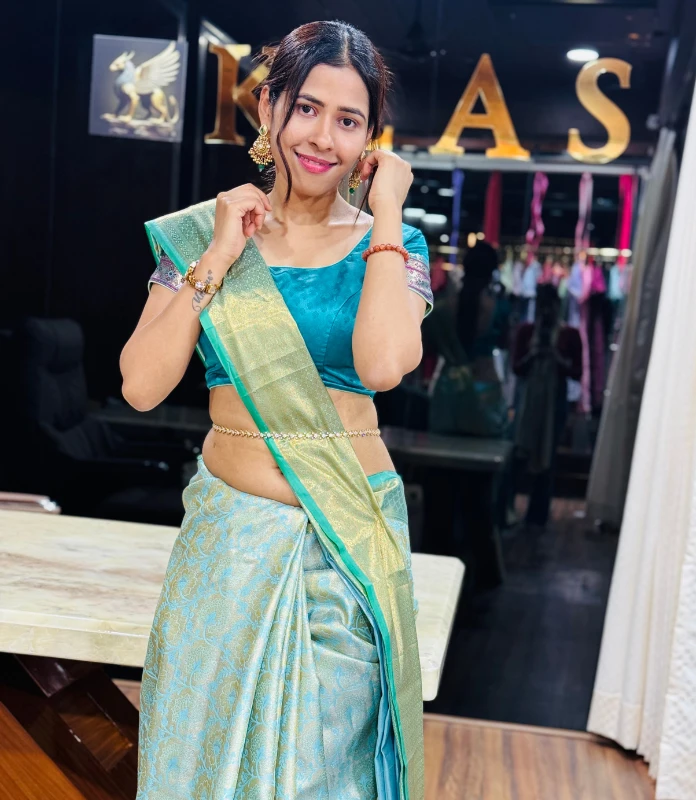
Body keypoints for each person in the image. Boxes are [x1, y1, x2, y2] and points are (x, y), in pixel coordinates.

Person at [119, 21, 432, 800]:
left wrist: (387, 213)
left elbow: (383, 366)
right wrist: (221, 256)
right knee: (197, 766)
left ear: (370, 138)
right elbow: (141, 385)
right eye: (307, 108)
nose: (323, 137)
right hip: (225, 552)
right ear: (270, 109)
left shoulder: (395, 245)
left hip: (341, 551)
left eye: (349, 120)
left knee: (320, 777)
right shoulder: (203, 233)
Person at [512, 284, 582, 527]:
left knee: (548, 455)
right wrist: (533, 355)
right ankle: (510, 508)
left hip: (554, 402)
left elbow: (577, 372)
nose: (545, 311)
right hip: (527, 400)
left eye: (549, 306)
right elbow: (516, 367)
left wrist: (556, 357)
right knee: (519, 453)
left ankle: (538, 514)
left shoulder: (569, 334)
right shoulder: (526, 331)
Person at [427, 241, 509, 437]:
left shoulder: (442, 308)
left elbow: (429, 347)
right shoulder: (499, 308)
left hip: (448, 388)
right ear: (492, 272)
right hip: (485, 388)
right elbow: (504, 342)